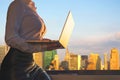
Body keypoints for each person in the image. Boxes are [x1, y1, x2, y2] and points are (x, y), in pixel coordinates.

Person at [0, 0, 63, 80]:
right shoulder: (17, 5)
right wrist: (42, 47)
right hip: (16, 65)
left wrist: (46, 44)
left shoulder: (31, 6)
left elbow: (29, 37)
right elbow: (10, 38)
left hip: (30, 62)